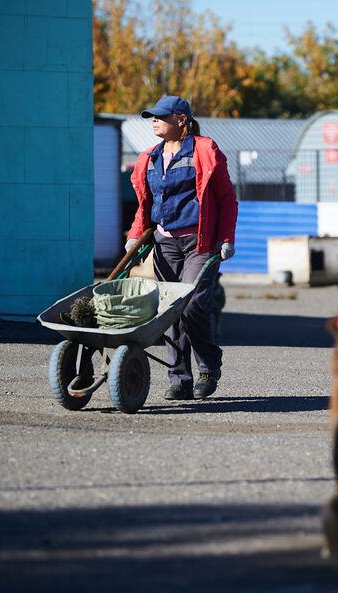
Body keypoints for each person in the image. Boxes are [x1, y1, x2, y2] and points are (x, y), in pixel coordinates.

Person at [124, 95, 237, 400]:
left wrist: (226, 238)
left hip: (200, 242)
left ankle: (209, 365)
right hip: (164, 243)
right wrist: (136, 234)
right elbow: (144, 204)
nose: (154, 121)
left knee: (191, 303)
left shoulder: (205, 150)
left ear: (182, 120)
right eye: (152, 116)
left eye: (161, 116)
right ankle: (179, 380)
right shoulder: (148, 157)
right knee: (168, 310)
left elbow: (227, 199)